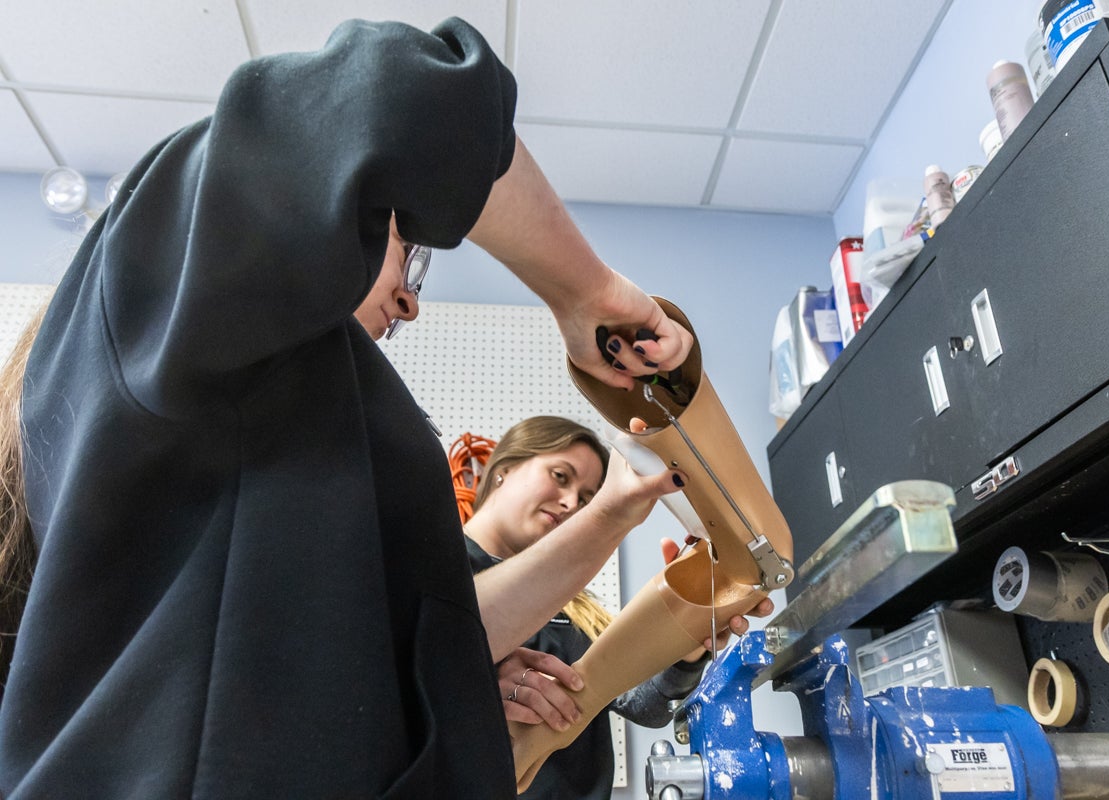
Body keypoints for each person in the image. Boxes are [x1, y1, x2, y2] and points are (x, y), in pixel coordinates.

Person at [0, 17, 694, 799]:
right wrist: (591, 298)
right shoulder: (159, 285)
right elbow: (406, 95)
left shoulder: (270, 454)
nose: (407, 298)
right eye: (408, 253)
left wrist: (624, 511)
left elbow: (421, 637)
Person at [450, 417, 713, 799]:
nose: (572, 502)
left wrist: (685, 645)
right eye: (560, 476)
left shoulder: (575, 605)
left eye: (588, 497)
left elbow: (644, 705)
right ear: (504, 469)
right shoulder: (436, 570)